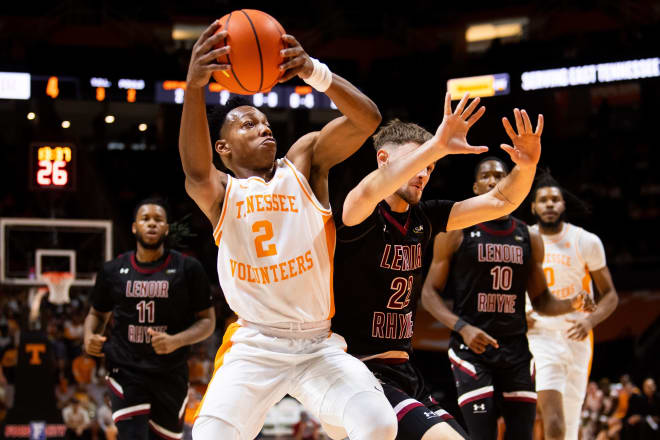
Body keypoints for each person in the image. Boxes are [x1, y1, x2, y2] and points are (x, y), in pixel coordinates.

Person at [180, 20, 396, 440]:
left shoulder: (303, 163)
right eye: (247, 125)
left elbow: (368, 120)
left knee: (379, 425)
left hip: (318, 344)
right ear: (222, 149)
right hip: (256, 345)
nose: (263, 128)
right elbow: (193, 168)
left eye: (265, 123)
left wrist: (315, 71)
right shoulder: (222, 192)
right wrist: (193, 87)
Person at [333, 94, 546, 440]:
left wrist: (528, 167)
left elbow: (501, 200)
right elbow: (369, 190)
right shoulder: (360, 212)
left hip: (404, 369)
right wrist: (436, 145)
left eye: (431, 167)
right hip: (357, 371)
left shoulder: (425, 218)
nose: (425, 173)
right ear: (383, 159)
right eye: (418, 162)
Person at [421, 157, 594, 440]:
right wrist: (462, 327)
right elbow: (429, 294)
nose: (493, 181)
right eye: (486, 176)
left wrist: (571, 303)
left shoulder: (528, 235)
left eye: (500, 176)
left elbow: (541, 301)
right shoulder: (456, 231)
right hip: (471, 350)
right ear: (476, 187)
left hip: (516, 349)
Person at [83, 198, 215, 440]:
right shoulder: (113, 270)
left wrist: (176, 340)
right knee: (132, 435)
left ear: (166, 228)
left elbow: (208, 322)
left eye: (158, 220)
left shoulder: (188, 269)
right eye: (145, 219)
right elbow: (97, 314)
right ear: (134, 227)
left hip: (170, 372)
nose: (152, 224)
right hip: (125, 367)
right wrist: (89, 336)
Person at [526, 174, 619, 440]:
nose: (550, 204)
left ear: (564, 205)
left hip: (577, 336)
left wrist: (590, 321)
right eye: (543, 200)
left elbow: (610, 295)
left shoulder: (586, 241)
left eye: (555, 199)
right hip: (540, 334)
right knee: (553, 420)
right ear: (533, 207)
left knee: (570, 424)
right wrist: (519, 316)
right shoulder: (525, 238)